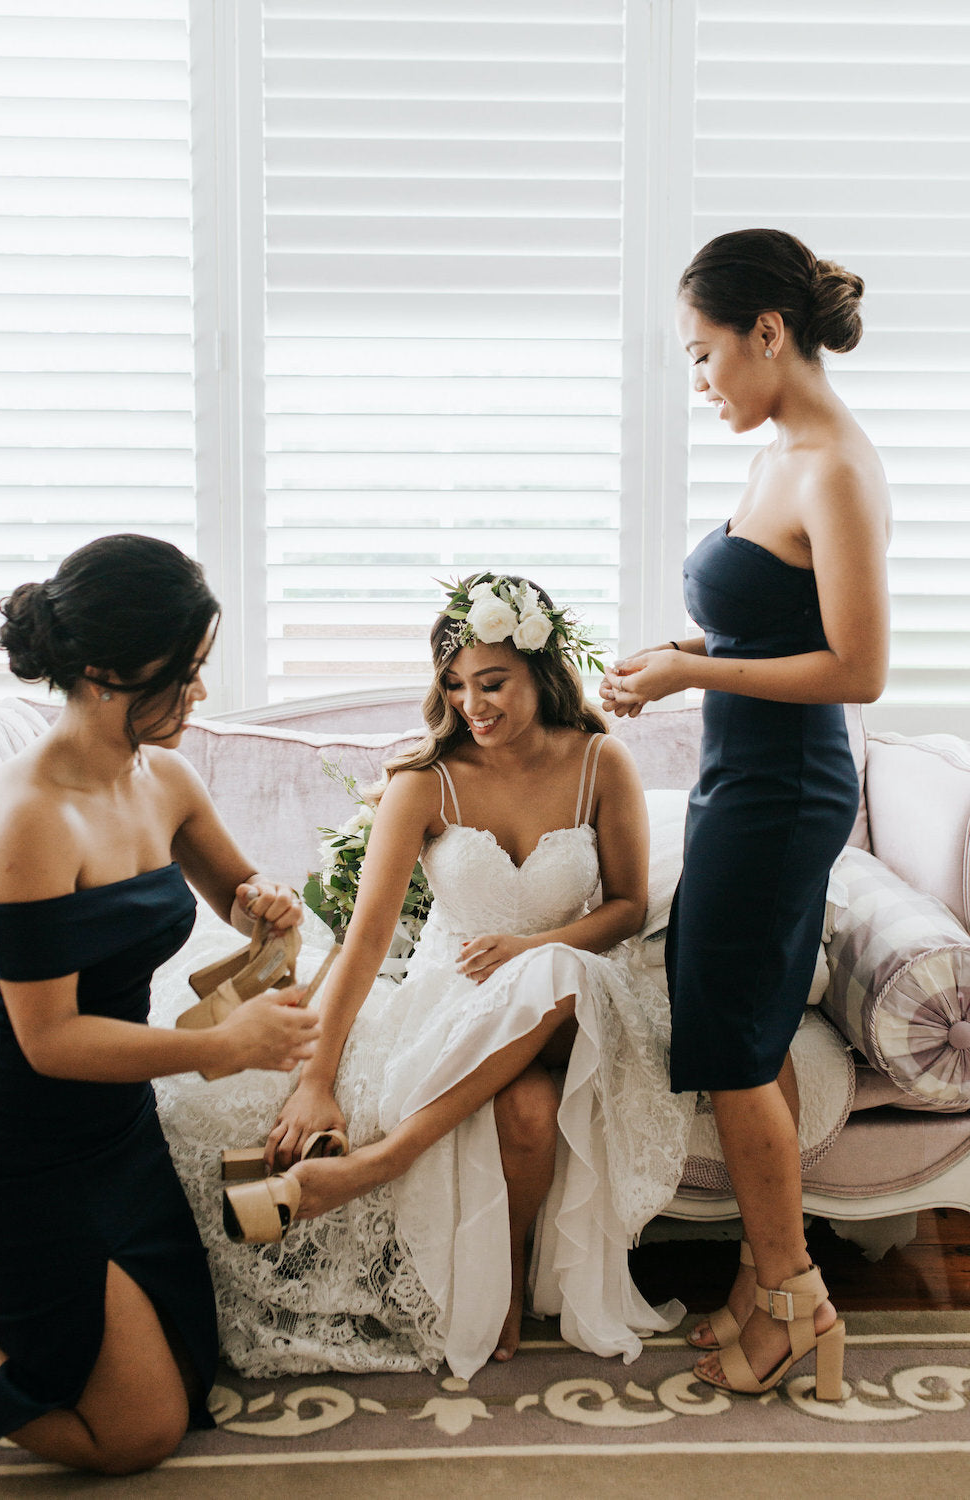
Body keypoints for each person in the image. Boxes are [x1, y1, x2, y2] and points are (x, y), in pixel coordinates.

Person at [154, 573, 696, 1381]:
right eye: (455, 684)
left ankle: (378, 1163)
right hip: (461, 1007)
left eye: (492, 682)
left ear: (540, 670)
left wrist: (528, 948)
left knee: (551, 970)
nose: (473, 704)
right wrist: (318, 1080)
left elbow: (623, 905)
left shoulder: (599, 762)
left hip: (579, 997)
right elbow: (366, 943)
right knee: (525, 1113)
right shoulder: (423, 780)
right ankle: (508, 1275)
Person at [601, 228, 891, 1400]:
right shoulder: (781, 451)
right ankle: (764, 1283)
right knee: (740, 1033)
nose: (702, 378)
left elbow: (858, 668)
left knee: (730, 1045)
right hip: (744, 781)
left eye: (704, 352)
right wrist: (691, 647)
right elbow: (781, 622)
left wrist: (693, 676)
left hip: (782, 792)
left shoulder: (829, 463)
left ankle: (791, 1299)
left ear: (768, 332)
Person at [0, 535, 319, 1474]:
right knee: (138, 1434)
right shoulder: (25, 817)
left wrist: (264, 906)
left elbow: (237, 887)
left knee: (192, 1373)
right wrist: (221, 1047)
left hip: (117, 1129)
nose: (201, 695)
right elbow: (48, 1041)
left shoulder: (165, 776)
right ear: (105, 670)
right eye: (187, 673)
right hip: (24, 1146)